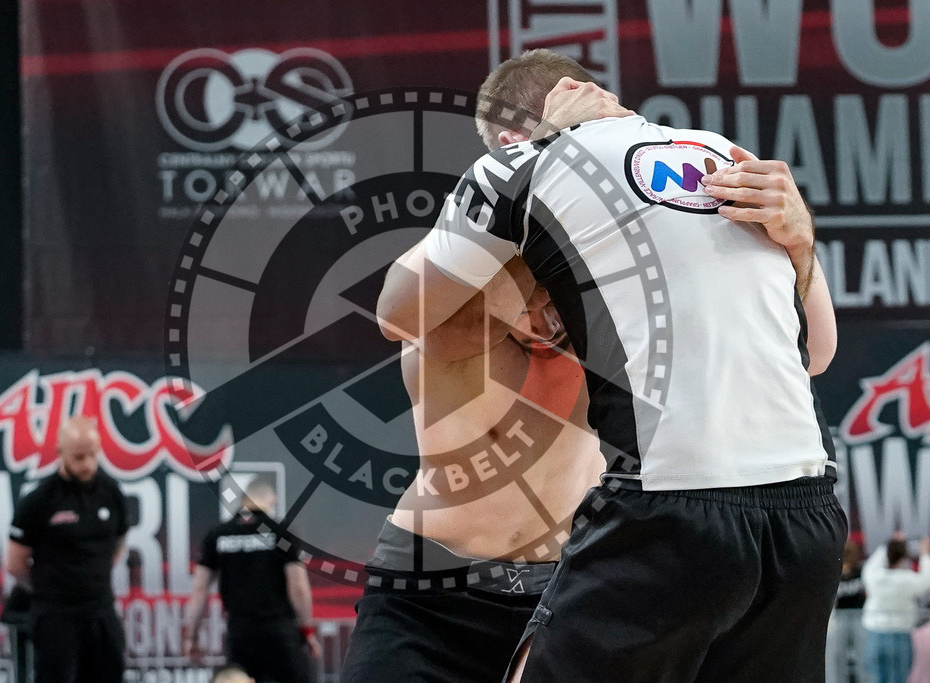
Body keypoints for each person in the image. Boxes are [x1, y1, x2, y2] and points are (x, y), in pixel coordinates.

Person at [378, 49, 844, 681]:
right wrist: (802, 239)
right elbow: (406, 312)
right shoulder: (715, 153)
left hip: (632, 537)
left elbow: (395, 307)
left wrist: (800, 239)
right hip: (445, 581)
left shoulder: (537, 187)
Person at [340, 256, 604, 681]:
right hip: (426, 597)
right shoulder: (445, 320)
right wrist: (521, 257)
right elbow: (394, 309)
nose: (546, 324)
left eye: (557, 304)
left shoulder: (603, 334)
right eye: (531, 306)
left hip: (562, 593)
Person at [4, 416, 129, 683]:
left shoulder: (111, 491)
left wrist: (93, 575)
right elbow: (15, 563)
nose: (87, 465)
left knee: (111, 673)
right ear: (60, 454)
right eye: (78, 457)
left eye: (92, 455)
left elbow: (119, 542)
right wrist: (48, 587)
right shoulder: (40, 500)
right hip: (56, 614)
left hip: (101, 609)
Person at [183, 480, 320, 683]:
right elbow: (298, 586)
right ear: (272, 500)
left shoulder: (219, 534)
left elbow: (199, 589)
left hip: (240, 634)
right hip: (280, 631)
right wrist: (306, 629)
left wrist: (191, 636)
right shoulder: (281, 533)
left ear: (244, 500)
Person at [861, 534, 930, 683]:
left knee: (877, 678)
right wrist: (925, 554)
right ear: (903, 558)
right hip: (900, 634)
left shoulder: (875, 576)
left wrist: (889, 544)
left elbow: (870, 565)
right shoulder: (907, 580)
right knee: (899, 677)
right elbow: (926, 580)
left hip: (876, 634)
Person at [828, 539, 868, 682]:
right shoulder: (834, 573)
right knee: (837, 656)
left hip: (859, 615)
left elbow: (868, 593)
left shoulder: (861, 571)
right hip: (839, 617)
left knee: (862, 655)